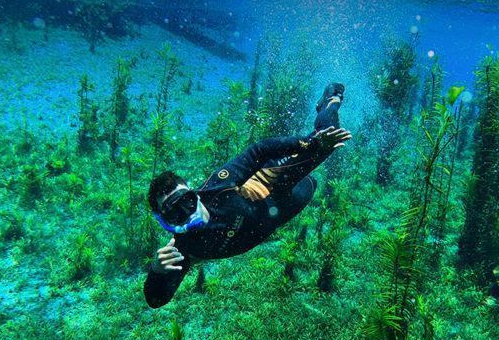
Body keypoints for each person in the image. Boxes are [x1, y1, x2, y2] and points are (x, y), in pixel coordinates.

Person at [143, 82, 351, 308]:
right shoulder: (183, 249)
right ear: (165, 222)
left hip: (272, 183)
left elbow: (259, 150)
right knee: (311, 184)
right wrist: (156, 271)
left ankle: (330, 102)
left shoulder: (218, 188)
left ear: (195, 194)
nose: (187, 214)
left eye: (187, 202)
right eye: (174, 214)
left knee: (326, 142)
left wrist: (310, 143)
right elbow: (156, 300)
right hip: (279, 213)